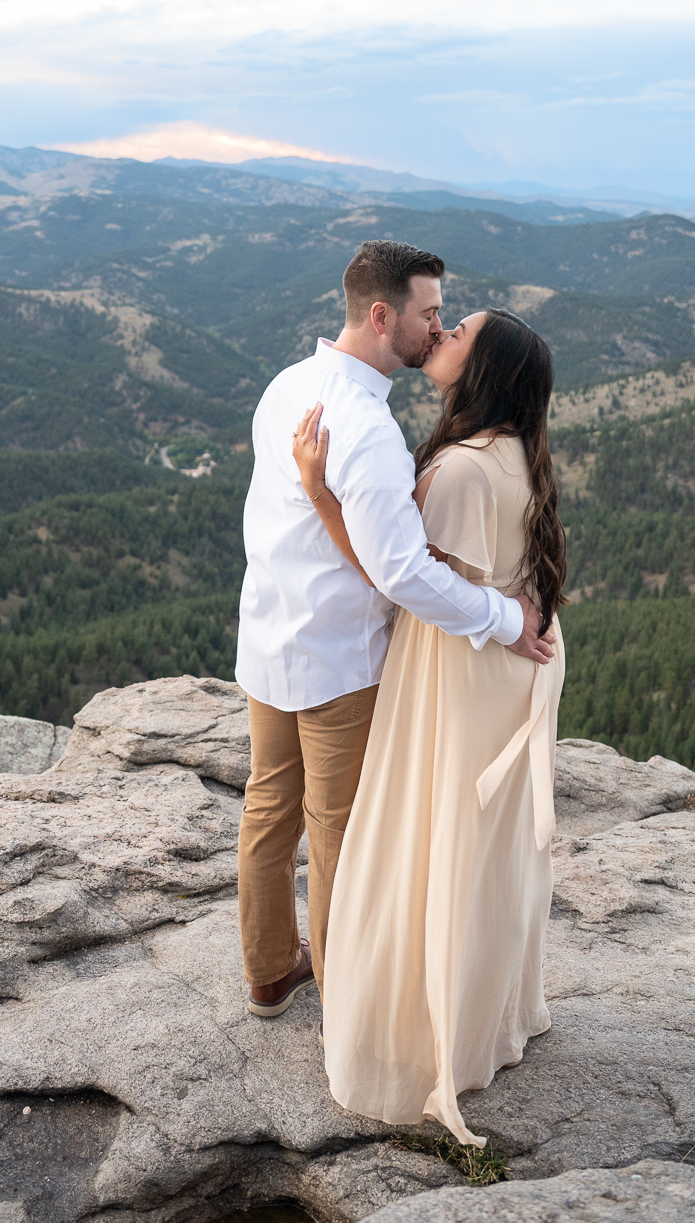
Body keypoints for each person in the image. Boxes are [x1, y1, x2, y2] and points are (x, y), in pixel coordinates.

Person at [235, 241, 553, 1022]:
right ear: (383, 316)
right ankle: (347, 996)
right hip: (340, 657)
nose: (436, 329)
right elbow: (403, 573)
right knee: (340, 829)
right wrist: (502, 620)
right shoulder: (368, 429)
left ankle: (270, 971)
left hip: (268, 641)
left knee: (268, 809)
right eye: (429, 313)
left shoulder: (287, 387)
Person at [291, 307, 567, 1146]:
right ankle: (483, 1017)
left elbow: (394, 575)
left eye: (458, 337)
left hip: (454, 664)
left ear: (481, 373)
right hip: (504, 666)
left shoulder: (455, 471)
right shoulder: (517, 454)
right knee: (480, 842)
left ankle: (413, 1038)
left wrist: (316, 488)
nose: (439, 339)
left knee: (423, 832)